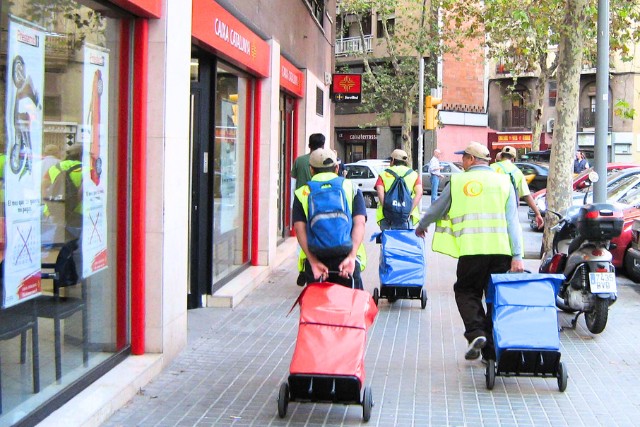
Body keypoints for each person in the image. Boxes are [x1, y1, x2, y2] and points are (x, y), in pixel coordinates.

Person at [415, 141, 524, 362]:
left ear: (471, 160)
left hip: (472, 252)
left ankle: (476, 333)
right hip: (501, 253)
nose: (461, 162)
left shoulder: (457, 182)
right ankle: (491, 353)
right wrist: (517, 255)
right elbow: (513, 221)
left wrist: (421, 225)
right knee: (495, 300)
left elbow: (436, 208)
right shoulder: (504, 182)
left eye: (463, 157)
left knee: (466, 292)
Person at [292, 148, 367, 289]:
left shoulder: (302, 193)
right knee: (352, 307)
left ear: (311, 170)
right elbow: (360, 223)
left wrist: (313, 261)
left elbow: (299, 228)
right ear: (337, 168)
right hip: (346, 258)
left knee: (316, 308)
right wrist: (351, 257)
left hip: (317, 259)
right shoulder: (351, 187)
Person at [291, 133, 326, 285]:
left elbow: (293, 183)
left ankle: (303, 268)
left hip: (302, 201)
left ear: (309, 145)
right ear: (323, 145)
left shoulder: (299, 161)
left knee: (302, 236)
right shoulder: (326, 159)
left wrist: (293, 204)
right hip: (319, 204)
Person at [491, 146, 543, 229]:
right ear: (513, 159)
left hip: (491, 207)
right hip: (508, 210)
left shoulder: (491, 168)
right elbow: (526, 195)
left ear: (501, 156)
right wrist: (537, 213)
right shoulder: (517, 172)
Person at [374, 149, 423, 230]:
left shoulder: (384, 174)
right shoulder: (414, 174)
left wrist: (388, 210)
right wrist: (408, 212)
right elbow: (419, 193)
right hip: (406, 217)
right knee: (403, 240)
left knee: (387, 240)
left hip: (387, 218)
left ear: (392, 160)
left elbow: (379, 191)